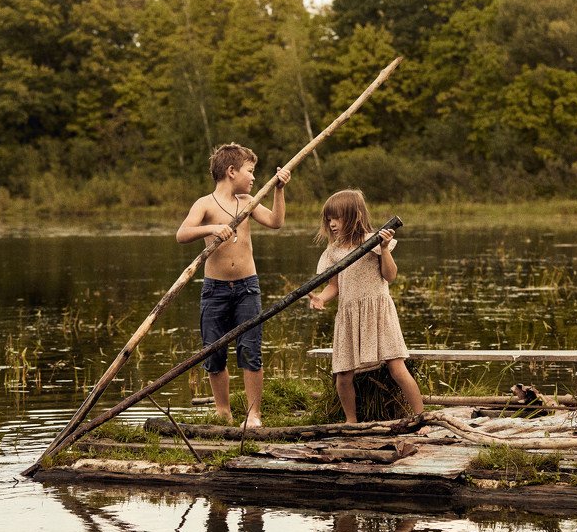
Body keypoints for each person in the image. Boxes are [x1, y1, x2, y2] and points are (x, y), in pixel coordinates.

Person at [176, 142, 290, 427]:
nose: (253, 178)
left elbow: (276, 222)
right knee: (214, 352)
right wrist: (212, 228)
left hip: (246, 288)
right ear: (230, 171)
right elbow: (182, 234)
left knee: (250, 349)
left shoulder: (248, 202)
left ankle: (253, 414)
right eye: (250, 171)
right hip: (214, 289)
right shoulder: (204, 204)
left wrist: (279, 189)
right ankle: (223, 411)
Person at [308, 189, 423, 422]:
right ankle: (352, 422)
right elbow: (335, 286)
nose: (331, 223)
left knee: (397, 367)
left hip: (378, 311)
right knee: (343, 374)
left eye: (337, 218)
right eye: (329, 219)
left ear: (353, 216)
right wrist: (321, 297)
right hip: (349, 315)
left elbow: (390, 276)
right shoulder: (333, 251)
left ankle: (421, 417)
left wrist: (383, 250)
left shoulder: (373, 242)